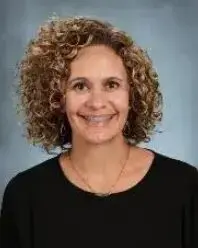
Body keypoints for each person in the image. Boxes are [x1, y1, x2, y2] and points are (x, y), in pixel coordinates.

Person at [0, 16, 197, 248]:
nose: (97, 103)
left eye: (111, 84)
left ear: (132, 95)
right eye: (80, 86)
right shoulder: (25, 196)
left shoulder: (186, 188)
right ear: (57, 98)